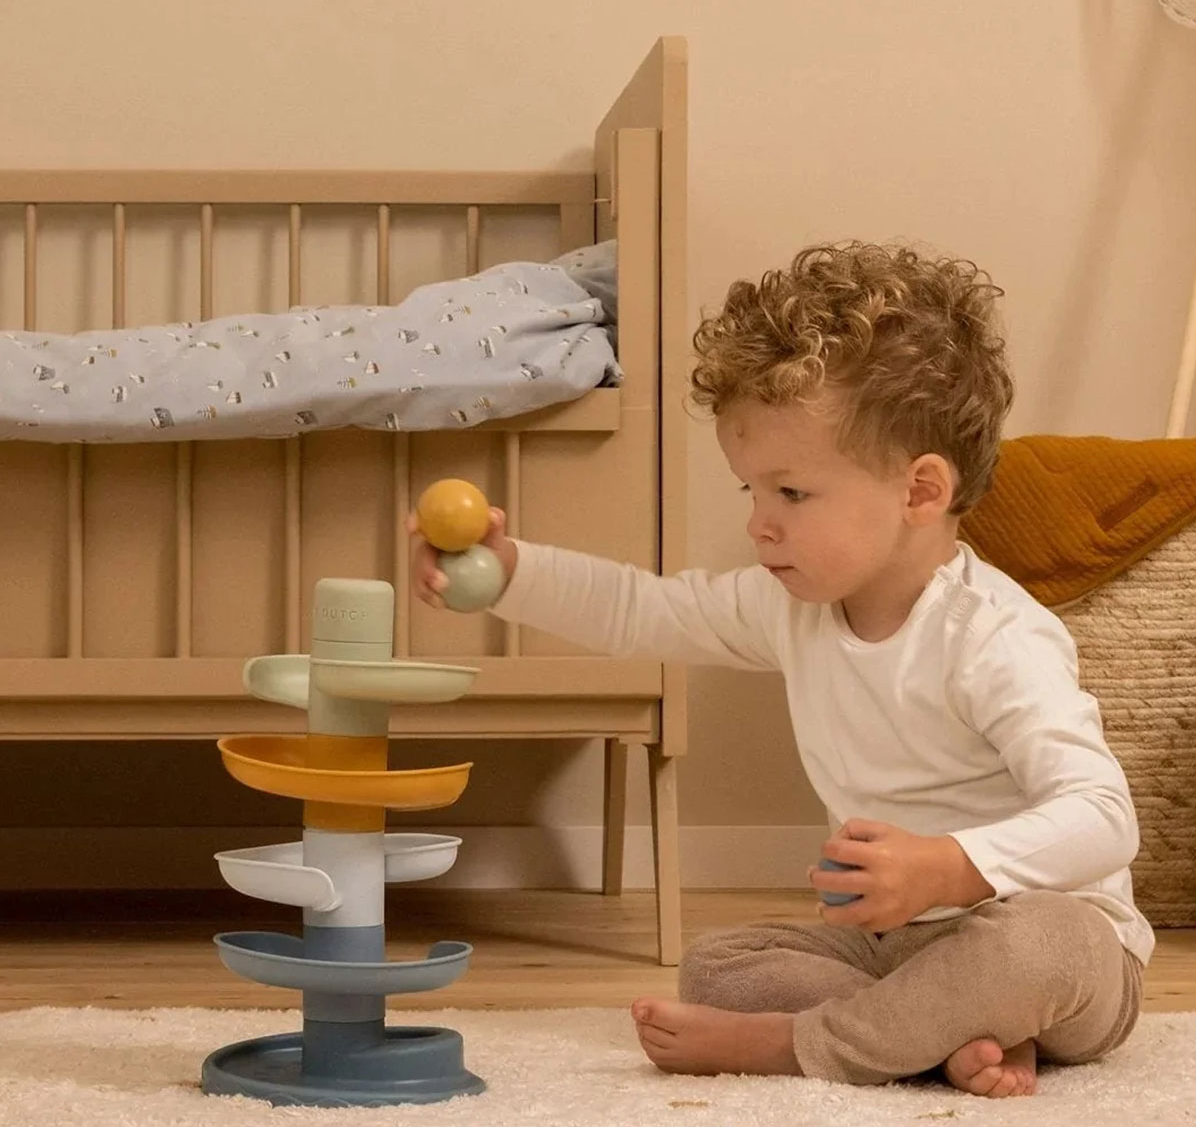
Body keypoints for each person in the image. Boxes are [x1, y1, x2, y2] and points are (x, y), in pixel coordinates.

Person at [411, 242, 1152, 1099]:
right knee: (721, 964)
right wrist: (510, 572)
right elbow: (645, 610)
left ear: (920, 492)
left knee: (1043, 944)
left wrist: (950, 868)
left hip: (1060, 945)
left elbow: (1103, 818)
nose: (760, 525)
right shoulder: (790, 608)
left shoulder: (996, 636)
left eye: (791, 494)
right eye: (751, 492)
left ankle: (805, 1044)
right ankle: (945, 1032)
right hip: (899, 948)